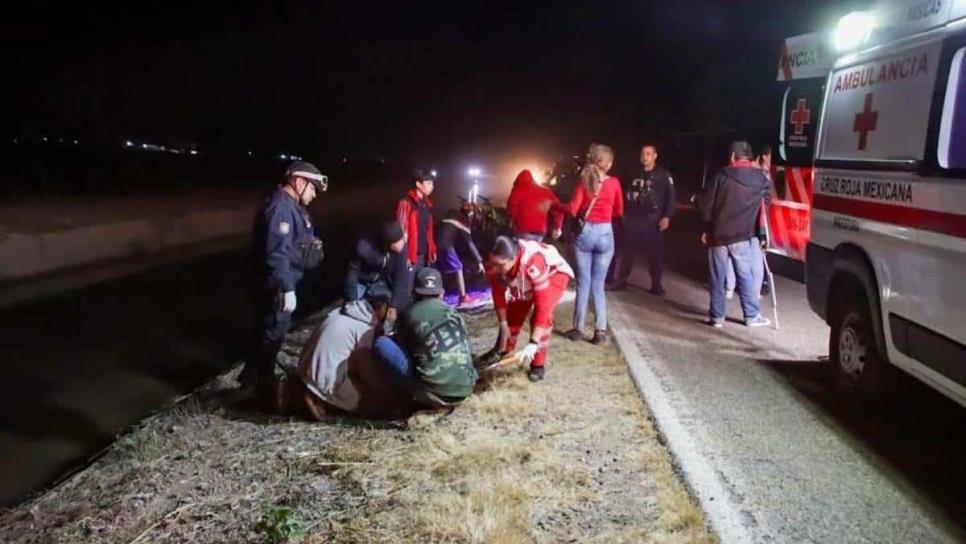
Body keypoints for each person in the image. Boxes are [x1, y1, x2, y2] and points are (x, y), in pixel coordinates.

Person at [244, 161, 328, 405]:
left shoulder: (292, 207)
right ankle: (262, 391)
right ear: (299, 183)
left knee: (270, 333)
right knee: (272, 335)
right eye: (312, 189)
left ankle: (252, 380)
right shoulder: (280, 208)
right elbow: (276, 254)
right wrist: (287, 288)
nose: (314, 195)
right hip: (277, 285)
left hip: (284, 281)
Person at [372, 268, 478, 408]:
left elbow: (403, 350)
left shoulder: (409, 314)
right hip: (466, 388)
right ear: (442, 293)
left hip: (432, 393)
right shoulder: (456, 315)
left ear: (414, 292)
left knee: (382, 343)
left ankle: (398, 398)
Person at [289, 296, 407, 420]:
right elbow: (364, 365)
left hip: (305, 376)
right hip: (324, 384)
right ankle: (325, 402)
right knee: (380, 402)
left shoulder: (340, 313)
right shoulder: (364, 328)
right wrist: (388, 391)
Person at [699, 141, 771, 328]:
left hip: (718, 236)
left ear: (732, 156)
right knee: (745, 275)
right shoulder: (761, 179)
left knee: (717, 277)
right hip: (742, 236)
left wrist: (706, 228)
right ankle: (751, 316)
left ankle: (717, 317)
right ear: (750, 157)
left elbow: (707, 205)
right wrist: (761, 233)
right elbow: (765, 206)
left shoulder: (721, 176)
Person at [485, 235, 574, 381]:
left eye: (499, 265)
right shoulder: (496, 263)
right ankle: (503, 349)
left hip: (553, 275)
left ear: (513, 258)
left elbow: (542, 306)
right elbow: (498, 293)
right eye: (492, 264)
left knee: (542, 319)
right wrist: (503, 323)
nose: (495, 268)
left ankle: (537, 364)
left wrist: (533, 343)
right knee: (513, 312)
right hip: (524, 276)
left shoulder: (533, 263)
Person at [564, 143, 624, 345]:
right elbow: (619, 211)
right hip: (606, 233)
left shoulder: (584, 181)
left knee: (584, 282)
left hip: (586, 233)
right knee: (599, 285)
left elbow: (572, 209)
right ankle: (600, 331)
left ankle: (578, 328)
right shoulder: (614, 183)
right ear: (607, 163)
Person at [607, 144, 675, 295]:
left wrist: (667, 216)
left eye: (648, 154)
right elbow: (623, 192)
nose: (645, 157)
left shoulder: (663, 175)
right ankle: (621, 280)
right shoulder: (633, 173)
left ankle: (656, 284)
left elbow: (671, 197)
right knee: (628, 252)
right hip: (633, 218)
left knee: (655, 254)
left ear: (655, 156)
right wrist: (622, 213)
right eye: (643, 154)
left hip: (653, 220)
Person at [344, 221, 412, 333]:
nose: (399, 250)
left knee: (391, 308)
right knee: (351, 312)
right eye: (395, 246)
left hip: (380, 281)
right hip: (361, 280)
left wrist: (394, 305)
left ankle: (384, 333)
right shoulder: (364, 247)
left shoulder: (401, 248)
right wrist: (352, 300)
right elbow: (352, 273)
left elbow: (402, 275)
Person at [435, 206, 485, 305]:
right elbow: (469, 243)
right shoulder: (462, 220)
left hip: (436, 242)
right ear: (470, 214)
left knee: (441, 270)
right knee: (458, 267)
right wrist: (479, 261)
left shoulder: (452, 214)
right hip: (446, 244)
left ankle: (438, 295)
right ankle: (463, 297)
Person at [506, 169, 565, 241]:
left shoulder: (517, 191)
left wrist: (511, 221)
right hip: (540, 232)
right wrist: (557, 227)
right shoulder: (545, 191)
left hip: (522, 230)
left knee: (522, 251)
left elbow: (512, 208)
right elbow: (558, 209)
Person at [395, 169, 437, 269]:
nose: (432, 187)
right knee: (407, 284)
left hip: (423, 255)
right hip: (409, 256)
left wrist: (432, 250)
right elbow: (401, 232)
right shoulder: (406, 203)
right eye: (428, 183)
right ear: (418, 184)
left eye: (432, 183)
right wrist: (406, 255)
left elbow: (429, 231)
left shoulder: (427, 204)